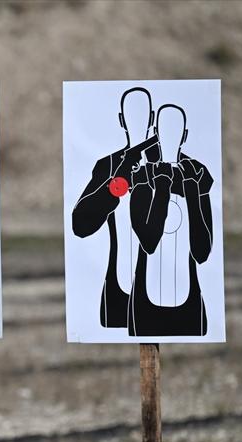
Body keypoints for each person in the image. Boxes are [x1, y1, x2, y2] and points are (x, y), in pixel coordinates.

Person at [71, 86, 163, 329]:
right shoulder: (109, 165)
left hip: (162, 288)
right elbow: (81, 224)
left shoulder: (170, 164)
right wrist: (117, 183)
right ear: (122, 120)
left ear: (153, 119)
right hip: (120, 288)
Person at [127, 103, 214, 337]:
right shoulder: (143, 177)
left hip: (190, 299)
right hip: (146, 300)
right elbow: (149, 241)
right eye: (166, 129)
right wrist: (163, 187)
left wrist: (193, 193)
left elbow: (203, 251)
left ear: (184, 136)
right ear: (155, 132)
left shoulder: (198, 179)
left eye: (176, 130)